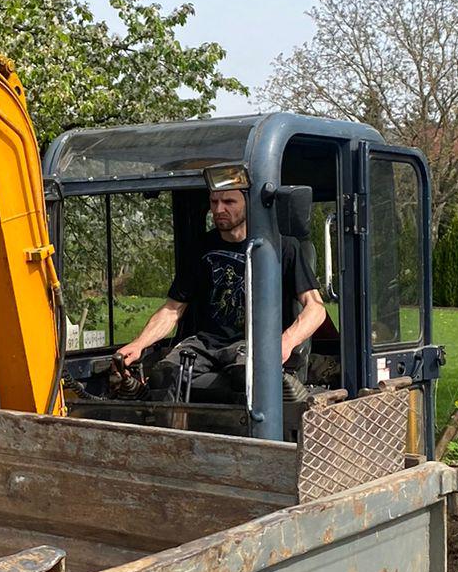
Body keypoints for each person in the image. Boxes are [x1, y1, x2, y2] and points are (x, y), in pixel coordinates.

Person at [113, 166, 331, 402]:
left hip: (252, 343)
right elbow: (172, 309)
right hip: (205, 344)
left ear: (249, 203)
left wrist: (284, 342)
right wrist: (138, 344)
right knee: (165, 374)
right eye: (214, 201)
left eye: (229, 201)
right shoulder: (200, 248)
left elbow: (316, 308)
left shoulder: (282, 247)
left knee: (247, 375)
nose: (219, 209)